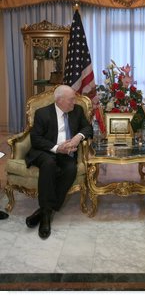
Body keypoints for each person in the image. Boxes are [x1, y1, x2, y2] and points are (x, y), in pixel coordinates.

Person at [25, 85, 93, 239]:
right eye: (71, 99)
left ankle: (44, 210)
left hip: (66, 153)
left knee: (71, 169)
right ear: (59, 100)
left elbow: (88, 128)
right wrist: (57, 148)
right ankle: (46, 218)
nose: (74, 102)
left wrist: (78, 137)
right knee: (48, 164)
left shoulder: (77, 111)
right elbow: (35, 139)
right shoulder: (43, 113)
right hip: (46, 151)